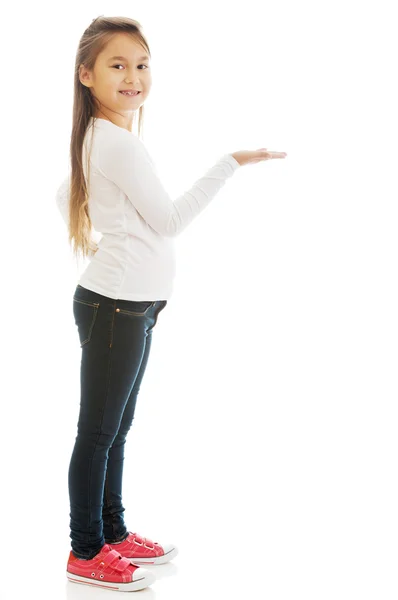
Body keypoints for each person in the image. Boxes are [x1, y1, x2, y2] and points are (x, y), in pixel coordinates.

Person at [56, 15, 287, 593]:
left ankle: (111, 531)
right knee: (99, 432)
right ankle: (85, 551)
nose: (133, 76)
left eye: (141, 63)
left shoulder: (104, 138)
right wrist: (229, 163)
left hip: (125, 304)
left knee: (115, 429)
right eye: (117, 64)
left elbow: (66, 194)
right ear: (86, 74)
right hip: (116, 306)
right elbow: (170, 220)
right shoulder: (114, 142)